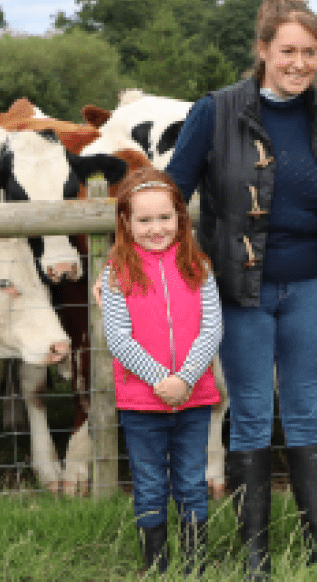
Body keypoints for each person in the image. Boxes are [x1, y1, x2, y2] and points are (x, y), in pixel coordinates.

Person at [165, 0, 317, 576]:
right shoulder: (216, 111)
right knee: (254, 413)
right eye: (288, 50)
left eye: (310, 52)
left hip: (309, 284)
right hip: (241, 289)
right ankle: (256, 556)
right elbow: (173, 189)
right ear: (263, 51)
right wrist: (156, 255)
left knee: (308, 411)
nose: (299, 63)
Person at [100, 167, 222, 576]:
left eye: (165, 218)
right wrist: (160, 380)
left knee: (191, 480)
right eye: (144, 220)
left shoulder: (198, 267)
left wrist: (185, 379)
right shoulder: (117, 272)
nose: (156, 228)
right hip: (142, 401)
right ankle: (156, 565)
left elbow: (212, 328)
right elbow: (118, 337)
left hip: (194, 396)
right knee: (150, 484)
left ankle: (196, 564)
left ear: (180, 218)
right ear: (126, 222)